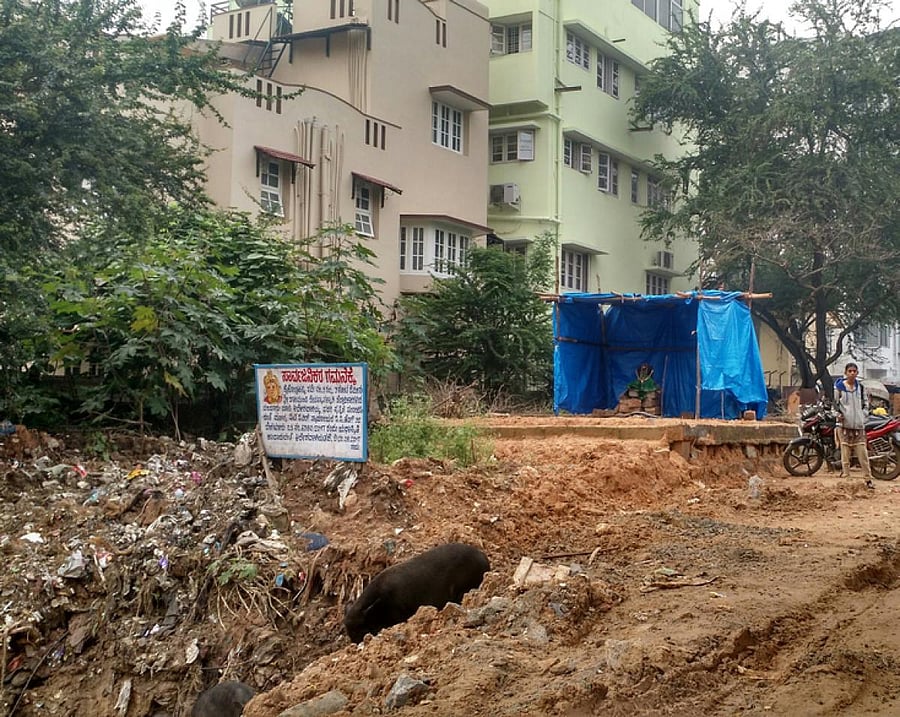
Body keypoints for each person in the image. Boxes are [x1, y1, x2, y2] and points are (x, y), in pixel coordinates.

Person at [833, 362, 874, 489]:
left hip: (859, 427)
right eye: (850, 371)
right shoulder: (839, 388)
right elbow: (834, 406)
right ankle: (846, 480)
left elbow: (866, 404)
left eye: (854, 371)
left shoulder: (861, 388)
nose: (852, 373)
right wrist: (838, 415)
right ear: (845, 373)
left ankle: (868, 480)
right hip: (844, 427)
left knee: (863, 455)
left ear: (857, 373)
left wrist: (863, 416)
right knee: (845, 456)